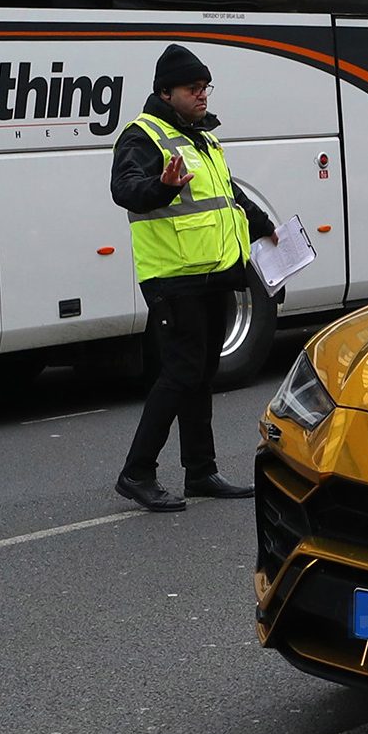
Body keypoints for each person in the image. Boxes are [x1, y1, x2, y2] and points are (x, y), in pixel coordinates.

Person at [109, 44, 276, 512]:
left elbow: (229, 194)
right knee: (179, 373)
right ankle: (137, 472)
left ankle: (201, 471)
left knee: (201, 374)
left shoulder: (203, 137)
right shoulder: (143, 136)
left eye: (205, 87)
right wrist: (161, 186)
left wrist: (266, 228)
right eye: (192, 88)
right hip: (174, 277)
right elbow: (125, 190)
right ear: (166, 93)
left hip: (213, 275)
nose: (202, 95)